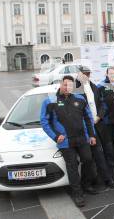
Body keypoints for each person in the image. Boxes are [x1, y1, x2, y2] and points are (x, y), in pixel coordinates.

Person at [40, 76, 98, 207]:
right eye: (65, 85)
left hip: (82, 138)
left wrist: (92, 135)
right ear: (60, 84)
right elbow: (44, 122)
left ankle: (86, 185)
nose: (68, 88)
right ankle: (77, 194)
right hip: (65, 141)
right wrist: (55, 136)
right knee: (72, 166)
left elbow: (88, 118)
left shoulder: (80, 99)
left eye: (70, 85)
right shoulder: (50, 101)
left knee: (88, 160)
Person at [75, 67, 114, 190]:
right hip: (87, 127)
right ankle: (98, 180)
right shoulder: (75, 89)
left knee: (109, 150)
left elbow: (103, 104)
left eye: (88, 74)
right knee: (95, 155)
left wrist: (99, 116)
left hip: (99, 123)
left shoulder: (94, 87)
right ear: (78, 75)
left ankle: (111, 176)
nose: (86, 76)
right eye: (83, 74)